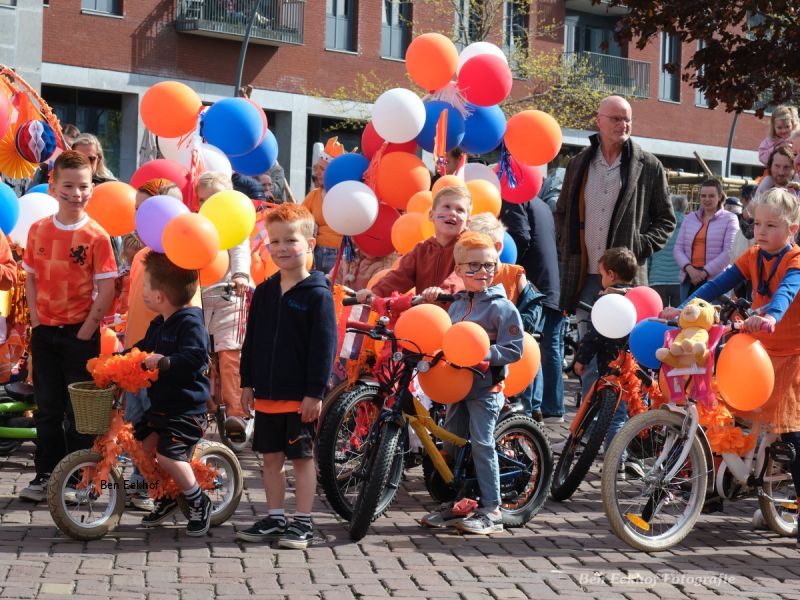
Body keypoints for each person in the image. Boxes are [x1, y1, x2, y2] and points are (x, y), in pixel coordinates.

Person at [661, 188, 800, 547]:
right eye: (757, 224)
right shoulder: (753, 256)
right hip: (757, 350)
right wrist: (684, 309)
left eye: (772, 225)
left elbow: (786, 292)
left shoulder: (795, 261)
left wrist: (769, 316)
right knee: (727, 408)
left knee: (791, 435)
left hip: (790, 355)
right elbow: (717, 284)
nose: (762, 231)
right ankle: (719, 485)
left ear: (792, 229)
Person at [556, 95, 675, 402]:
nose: (623, 125)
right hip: (585, 278)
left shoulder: (648, 166)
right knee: (588, 358)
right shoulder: (579, 164)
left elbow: (665, 219)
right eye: (616, 118)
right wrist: (564, 245)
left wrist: (638, 247)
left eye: (628, 120)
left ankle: (627, 432)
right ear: (599, 120)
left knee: (626, 362)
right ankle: (588, 427)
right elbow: (562, 213)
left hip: (625, 283)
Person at [236, 204, 337, 549]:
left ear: (310, 243)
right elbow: (251, 340)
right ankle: (276, 516)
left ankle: (304, 522)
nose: (280, 247)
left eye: (290, 240)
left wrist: (315, 393)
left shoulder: (319, 295)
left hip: (299, 397)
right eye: (274, 240)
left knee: (301, 459)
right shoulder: (263, 292)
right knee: (270, 458)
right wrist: (247, 381)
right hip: (266, 393)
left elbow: (324, 348)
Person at [18, 151, 118, 502]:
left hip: (80, 335)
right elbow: (29, 276)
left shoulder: (97, 236)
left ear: (93, 187)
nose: (77, 194)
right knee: (46, 407)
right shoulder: (38, 229)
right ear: (52, 187)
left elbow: (107, 288)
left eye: (84, 186)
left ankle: (79, 478)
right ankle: (46, 473)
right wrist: (36, 318)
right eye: (69, 186)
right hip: (45, 334)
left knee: (79, 413)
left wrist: (86, 331)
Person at [421, 232, 523, 534]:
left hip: (484, 389)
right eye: (474, 266)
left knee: (481, 443)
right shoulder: (457, 304)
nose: (483, 273)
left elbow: (515, 348)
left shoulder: (502, 307)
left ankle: (492, 511)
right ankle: (459, 503)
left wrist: (483, 354)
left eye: (490, 266)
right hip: (456, 387)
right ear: (459, 268)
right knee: (452, 443)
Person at [128, 252, 212, 536]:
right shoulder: (159, 322)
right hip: (162, 406)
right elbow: (141, 348)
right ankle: (166, 497)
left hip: (187, 410)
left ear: (160, 296)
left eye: (145, 286)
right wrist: (120, 358)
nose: (142, 291)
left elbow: (195, 357)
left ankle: (198, 500)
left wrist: (166, 361)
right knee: (142, 448)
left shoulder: (190, 323)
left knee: (167, 456)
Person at [195, 172, 252, 436]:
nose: (208, 206)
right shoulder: (197, 226)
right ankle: (203, 406)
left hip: (230, 295)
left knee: (230, 354)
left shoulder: (233, 224)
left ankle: (237, 413)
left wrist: (240, 274)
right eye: (202, 200)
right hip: (202, 297)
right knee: (201, 354)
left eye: (213, 199)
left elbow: (240, 250)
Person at [574, 248, 638, 466]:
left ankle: (613, 462)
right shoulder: (638, 298)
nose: (601, 279)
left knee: (613, 417)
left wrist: (581, 359)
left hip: (610, 369)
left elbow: (595, 336)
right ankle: (621, 458)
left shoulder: (607, 301)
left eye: (601, 274)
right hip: (633, 370)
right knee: (624, 415)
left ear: (611, 275)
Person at [501, 197, 563, 422]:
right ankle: (548, 408)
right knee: (547, 346)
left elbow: (519, 237)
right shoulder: (541, 203)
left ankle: (530, 409)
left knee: (529, 344)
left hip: (532, 284)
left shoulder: (512, 200)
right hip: (552, 282)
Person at [357, 185, 468, 304]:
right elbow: (399, 277)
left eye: (460, 210)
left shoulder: (469, 247)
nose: (452, 213)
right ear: (431, 216)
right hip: (424, 314)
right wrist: (376, 293)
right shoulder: (422, 250)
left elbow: (462, 275)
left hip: (458, 315)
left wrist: (444, 291)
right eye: (446, 207)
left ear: (467, 222)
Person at [673, 179, 739, 300]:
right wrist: (690, 269)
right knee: (685, 316)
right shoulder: (689, 218)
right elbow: (678, 249)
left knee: (713, 317)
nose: (706, 199)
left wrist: (704, 272)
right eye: (703, 196)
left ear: (719, 196)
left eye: (711, 196)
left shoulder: (730, 218)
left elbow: (729, 251)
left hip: (716, 281)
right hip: (689, 279)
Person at [301, 138, 346, 274]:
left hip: (343, 256)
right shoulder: (314, 195)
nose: (317, 172)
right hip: (316, 254)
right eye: (317, 168)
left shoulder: (347, 195)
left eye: (322, 169)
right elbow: (299, 220)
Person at [648, 195, 688, 308]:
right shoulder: (689, 226)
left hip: (656, 280)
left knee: (658, 316)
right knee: (679, 318)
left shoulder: (659, 226)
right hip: (680, 282)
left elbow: (650, 255)